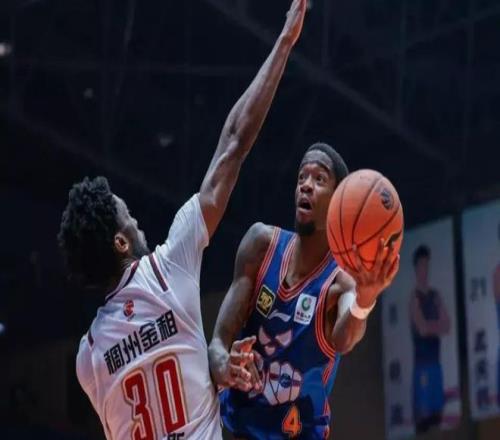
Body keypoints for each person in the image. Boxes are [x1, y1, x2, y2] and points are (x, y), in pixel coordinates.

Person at [57, 1, 307, 438]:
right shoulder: (169, 268)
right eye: (128, 217)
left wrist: (213, 366)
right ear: (120, 243)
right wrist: (284, 43)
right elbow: (234, 143)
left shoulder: (88, 359)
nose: (137, 221)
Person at [208, 142, 400, 439]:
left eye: (319, 179)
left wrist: (365, 299)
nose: (306, 185)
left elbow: (344, 339)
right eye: (302, 177)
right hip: (236, 429)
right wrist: (226, 365)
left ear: (340, 203)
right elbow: (218, 343)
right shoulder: (261, 246)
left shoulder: (341, 281)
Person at [409, 245, 450, 434]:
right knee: (424, 422)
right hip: (422, 367)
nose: (424, 270)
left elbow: (447, 325)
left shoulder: (435, 296)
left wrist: (431, 326)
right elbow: (422, 329)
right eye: (421, 265)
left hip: (436, 366)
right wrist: (435, 326)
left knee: (438, 419)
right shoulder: (415, 299)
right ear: (416, 268)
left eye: (427, 265)